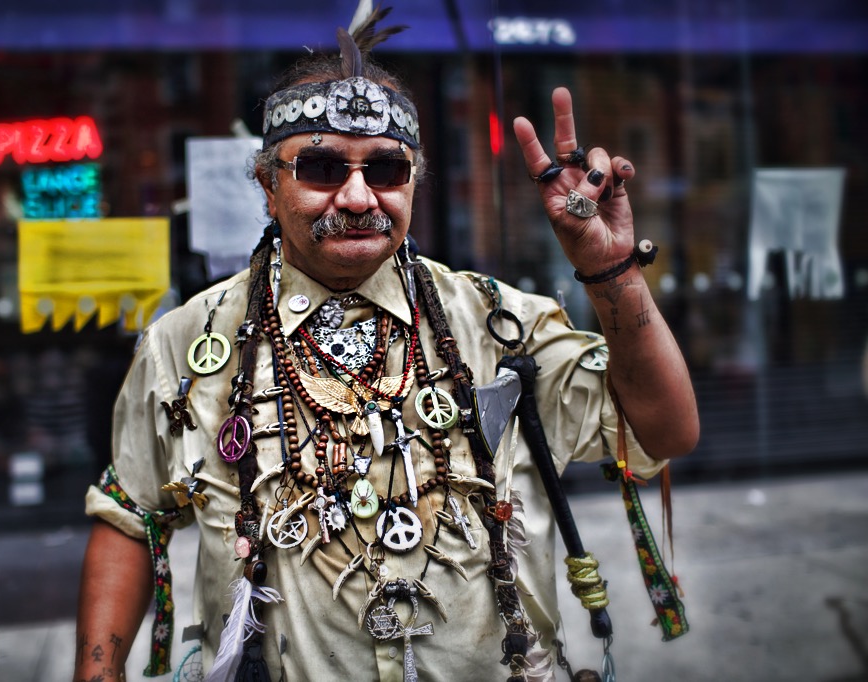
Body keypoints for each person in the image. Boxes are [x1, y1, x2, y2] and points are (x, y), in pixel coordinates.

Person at [74, 8, 699, 682]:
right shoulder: (185, 343)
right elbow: (130, 517)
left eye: (385, 169)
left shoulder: (499, 324)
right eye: (319, 167)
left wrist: (611, 272)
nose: (355, 193)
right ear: (267, 185)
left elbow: (665, 429)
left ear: (414, 183)